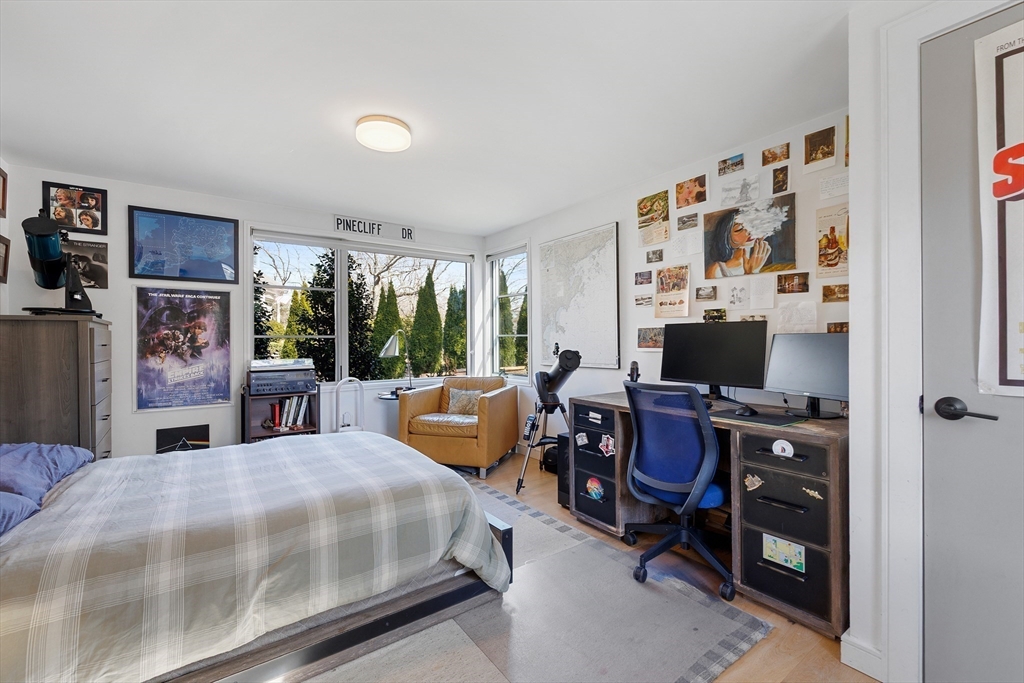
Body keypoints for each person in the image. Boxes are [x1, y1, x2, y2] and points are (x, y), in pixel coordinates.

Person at [705, 209, 771, 278]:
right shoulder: (717, 270)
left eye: (750, 226)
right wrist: (751, 272)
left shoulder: (763, 264)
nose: (748, 232)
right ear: (726, 237)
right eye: (739, 229)